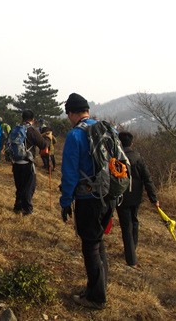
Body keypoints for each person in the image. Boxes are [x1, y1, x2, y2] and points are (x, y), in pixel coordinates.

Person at [60, 93, 110, 310]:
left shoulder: (75, 135)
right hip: (109, 195)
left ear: (72, 113)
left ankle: (97, 297)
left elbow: (70, 173)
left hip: (88, 197)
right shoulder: (106, 129)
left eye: (68, 114)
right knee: (98, 241)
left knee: (90, 246)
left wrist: (65, 201)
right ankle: (99, 286)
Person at [116, 131, 159, 268]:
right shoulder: (138, 157)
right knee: (134, 222)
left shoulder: (116, 157)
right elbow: (147, 178)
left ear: (119, 142)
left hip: (121, 197)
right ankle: (132, 250)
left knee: (126, 227)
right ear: (132, 143)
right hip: (136, 197)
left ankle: (131, 259)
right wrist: (153, 198)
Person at [11, 110, 47, 215]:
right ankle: (27, 209)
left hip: (16, 162)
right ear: (33, 120)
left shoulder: (16, 129)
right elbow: (43, 145)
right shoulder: (32, 130)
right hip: (28, 163)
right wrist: (47, 138)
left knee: (19, 186)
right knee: (29, 187)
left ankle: (17, 207)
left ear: (22, 118)